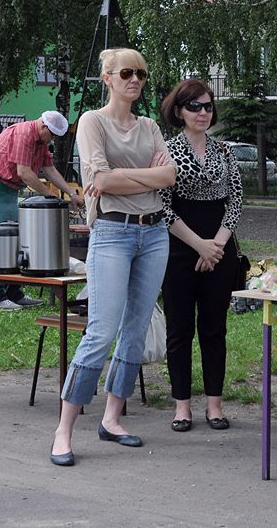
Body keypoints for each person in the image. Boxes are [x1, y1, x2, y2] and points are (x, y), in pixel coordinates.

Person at [49, 48, 177, 467]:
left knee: (135, 331)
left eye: (140, 73)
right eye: (126, 73)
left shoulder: (150, 126)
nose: (134, 79)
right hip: (112, 233)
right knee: (101, 332)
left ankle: (112, 419)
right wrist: (143, 177)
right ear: (107, 78)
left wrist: (121, 177)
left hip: (154, 234)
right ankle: (64, 430)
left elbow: (169, 176)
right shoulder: (92, 121)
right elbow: (98, 180)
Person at [159, 79, 243, 432]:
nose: (203, 112)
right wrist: (199, 245)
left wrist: (216, 247)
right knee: (179, 329)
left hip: (220, 250)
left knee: (214, 329)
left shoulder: (225, 151)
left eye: (208, 106)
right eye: (195, 106)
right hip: (180, 248)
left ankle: (214, 404)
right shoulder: (165, 151)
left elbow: (236, 201)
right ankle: (182, 406)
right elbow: (162, 207)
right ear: (179, 111)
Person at [0, 111, 85, 310]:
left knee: (17, 238)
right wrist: (49, 196)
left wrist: (71, 193)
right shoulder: (24, 134)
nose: (52, 140)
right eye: (52, 135)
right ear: (43, 126)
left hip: (9, 189)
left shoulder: (41, 142)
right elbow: (24, 172)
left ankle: (14, 294)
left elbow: (50, 170)